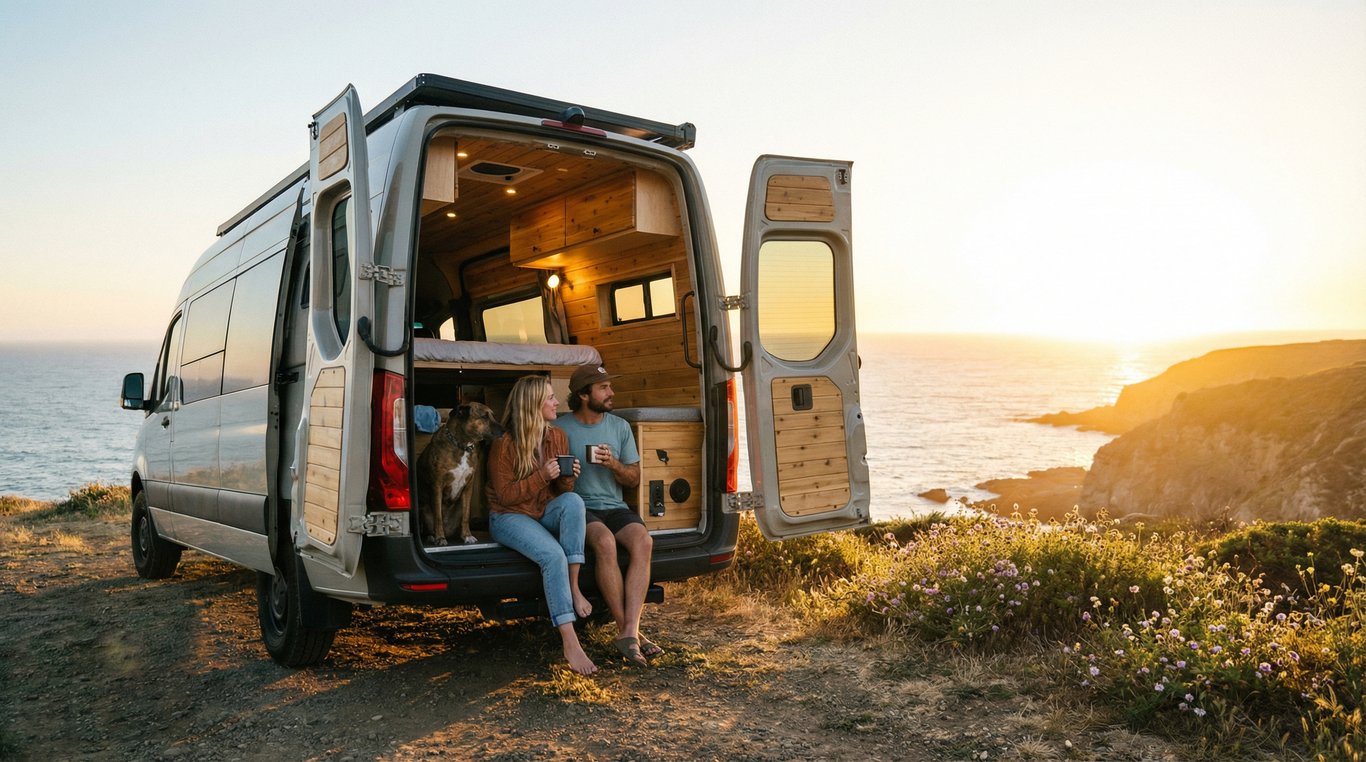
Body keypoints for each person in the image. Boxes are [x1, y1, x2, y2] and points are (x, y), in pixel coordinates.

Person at [485, 375, 597, 675]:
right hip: (509, 517)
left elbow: (564, 493)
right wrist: (542, 477)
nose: (557, 402)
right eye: (550, 397)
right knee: (552, 556)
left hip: (542, 509)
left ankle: (573, 588)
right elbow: (506, 497)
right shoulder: (504, 444)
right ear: (533, 404)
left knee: (574, 503)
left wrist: (568, 477)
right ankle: (570, 641)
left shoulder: (557, 435)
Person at [555, 364, 660, 666]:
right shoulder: (561, 429)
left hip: (614, 506)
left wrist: (613, 464)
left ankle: (630, 630)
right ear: (584, 395)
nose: (612, 393)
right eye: (604, 388)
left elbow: (634, 478)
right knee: (604, 542)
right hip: (579, 507)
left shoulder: (619, 427)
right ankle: (625, 631)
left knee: (643, 541)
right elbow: (551, 482)